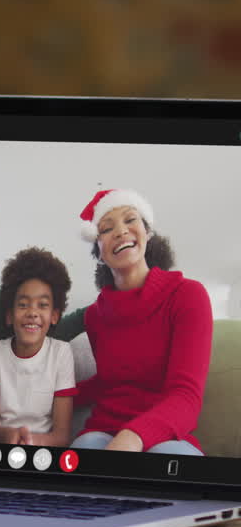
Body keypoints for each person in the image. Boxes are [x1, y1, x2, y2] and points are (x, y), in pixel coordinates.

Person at [57, 189, 211, 455]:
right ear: (99, 252)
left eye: (130, 220)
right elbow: (109, 381)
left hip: (166, 435)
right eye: (106, 229)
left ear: (147, 232)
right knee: (88, 448)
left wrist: (132, 437)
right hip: (102, 431)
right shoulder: (95, 316)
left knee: (170, 456)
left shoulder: (188, 295)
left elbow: (186, 395)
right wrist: (46, 396)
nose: (120, 231)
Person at [0, 248, 76, 447]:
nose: (32, 312)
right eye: (23, 305)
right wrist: (10, 437)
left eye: (43, 305)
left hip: (43, 449)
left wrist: (30, 441)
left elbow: (62, 436)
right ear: (9, 315)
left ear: (54, 316)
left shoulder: (61, 353)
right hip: (2, 445)